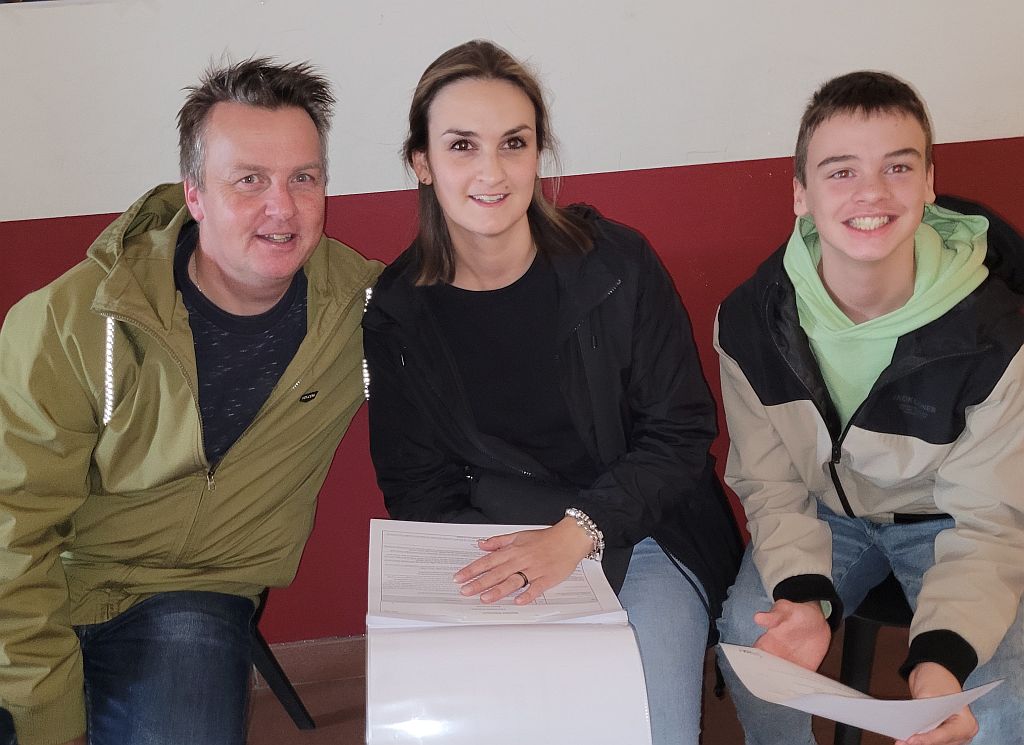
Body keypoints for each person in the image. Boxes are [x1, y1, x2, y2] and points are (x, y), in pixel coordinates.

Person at [362, 39, 742, 745]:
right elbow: (416, 482)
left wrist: (578, 533)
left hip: (646, 529)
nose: (492, 171)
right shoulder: (398, 311)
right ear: (421, 162)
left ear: (539, 152)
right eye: (462, 145)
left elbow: (681, 431)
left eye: (514, 143)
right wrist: (490, 576)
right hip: (497, 542)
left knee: (649, 733)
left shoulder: (616, 264)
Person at [0, 59, 383, 745]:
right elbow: (11, 526)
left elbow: (491, 331)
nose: (282, 208)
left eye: (303, 178)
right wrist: (46, 717)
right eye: (249, 180)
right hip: (46, 581)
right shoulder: (70, 321)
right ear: (195, 195)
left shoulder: (362, 315)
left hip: (192, 595)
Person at [715, 71, 1024, 745]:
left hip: (948, 522)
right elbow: (770, 482)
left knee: (996, 707)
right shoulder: (749, 323)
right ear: (801, 194)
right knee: (751, 639)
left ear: (929, 183)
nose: (872, 193)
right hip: (826, 515)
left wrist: (941, 661)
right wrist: (803, 595)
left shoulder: (999, 336)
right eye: (841, 171)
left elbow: (990, 521)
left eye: (898, 167)